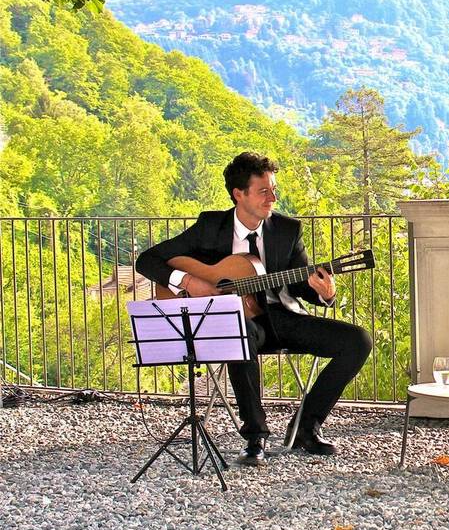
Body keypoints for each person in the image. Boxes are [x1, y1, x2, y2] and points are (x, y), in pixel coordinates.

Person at [135, 152, 372, 466]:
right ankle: (255, 436)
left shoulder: (287, 231)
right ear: (239, 194)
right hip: (232, 323)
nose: (272, 197)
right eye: (264, 191)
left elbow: (303, 284)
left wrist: (325, 293)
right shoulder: (210, 227)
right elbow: (147, 260)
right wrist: (189, 280)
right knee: (238, 329)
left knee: (358, 340)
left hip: (281, 318)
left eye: (274, 190)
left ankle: (306, 426)